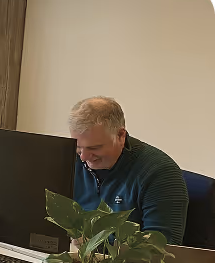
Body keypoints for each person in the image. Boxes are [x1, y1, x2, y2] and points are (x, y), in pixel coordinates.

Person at [69, 96, 188, 245]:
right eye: (78, 148)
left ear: (120, 136)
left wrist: (91, 244)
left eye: (95, 148)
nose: (84, 157)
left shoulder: (160, 173)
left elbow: (159, 249)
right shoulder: (69, 160)